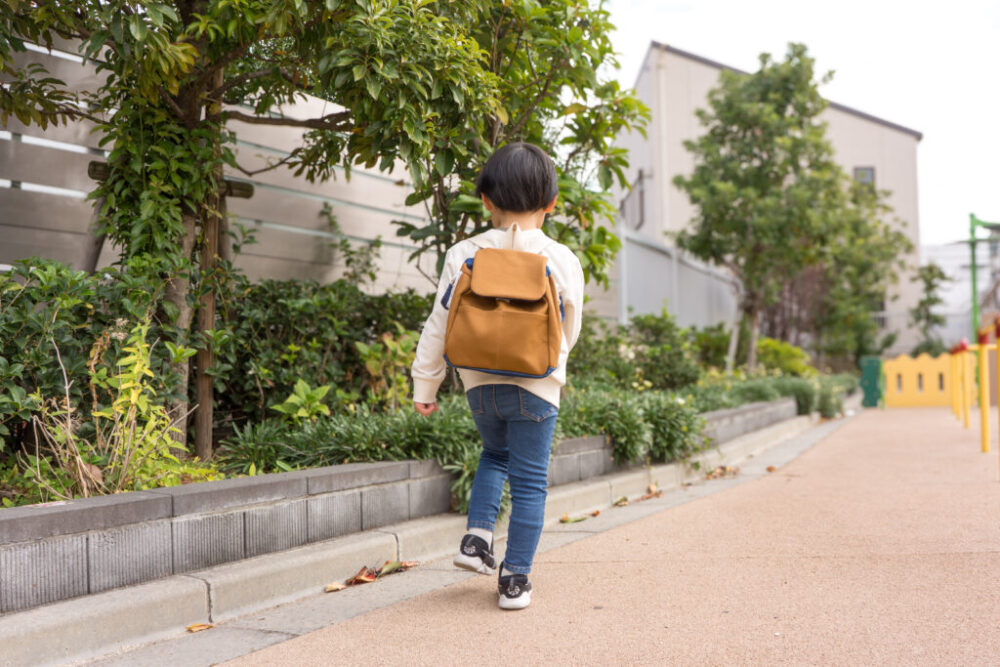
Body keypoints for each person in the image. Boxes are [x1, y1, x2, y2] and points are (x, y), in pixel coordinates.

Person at [411, 142, 584, 610]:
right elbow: (570, 327)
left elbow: (438, 326)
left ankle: (476, 540)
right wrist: (555, 370)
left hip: (479, 384)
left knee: (493, 455)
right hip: (536, 385)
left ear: (486, 199)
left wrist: (425, 385)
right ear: (551, 203)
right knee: (530, 482)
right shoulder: (562, 259)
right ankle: (514, 581)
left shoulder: (463, 253)